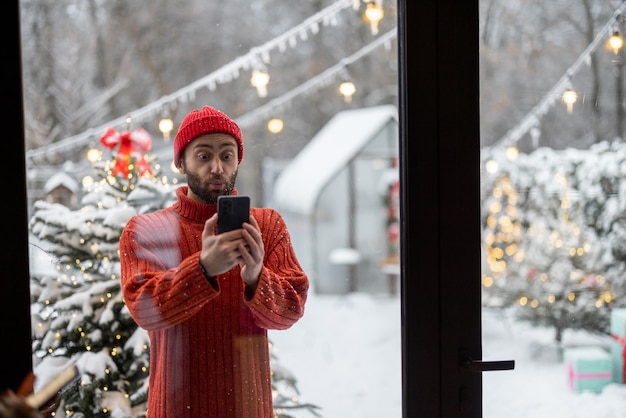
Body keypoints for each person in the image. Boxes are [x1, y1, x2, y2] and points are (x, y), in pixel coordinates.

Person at [119, 105, 309, 418]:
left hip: (250, 410)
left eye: (226, 155)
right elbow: (145, 310)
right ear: (181, 162)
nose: (217, 167)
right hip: (176, 409)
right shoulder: (146, 230)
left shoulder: (267, 225)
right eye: (204, 156)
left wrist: (256, 277)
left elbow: (290, 312)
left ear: (238, 159)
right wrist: (203, 269)